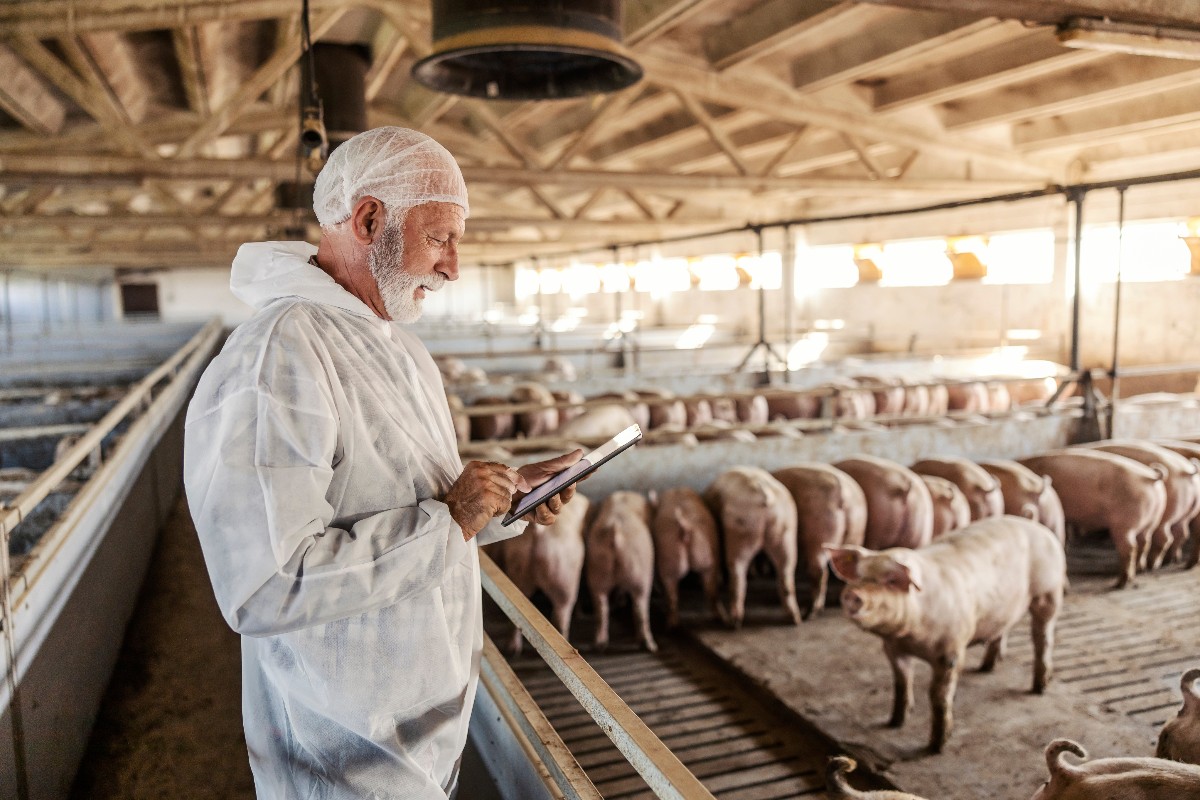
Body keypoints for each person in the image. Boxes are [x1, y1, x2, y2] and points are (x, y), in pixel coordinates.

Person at [183, 127, 583, 799]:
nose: (454, 267)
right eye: (441, 238)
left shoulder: (395, 347)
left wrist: (504, 498)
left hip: (410, 732)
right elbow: (265, 584)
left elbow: (415, 502)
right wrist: (451, 517)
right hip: (338, 752)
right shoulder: (276, 358)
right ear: (369, 219)